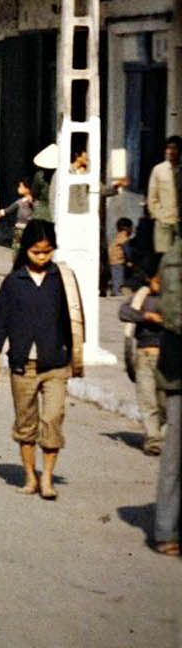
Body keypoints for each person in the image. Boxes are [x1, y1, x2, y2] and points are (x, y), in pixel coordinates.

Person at [0, 219, 83, 500]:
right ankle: (30, 476)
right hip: (22, 365)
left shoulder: (62, 281)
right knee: (26, 423)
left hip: (55, 364)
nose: (42, 257)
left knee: (52, 418)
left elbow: (75, 320)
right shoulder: (13, 282)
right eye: (36, 252)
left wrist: (76, 358)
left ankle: (47, 477)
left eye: (47, 251)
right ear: (25, 250)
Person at [119, 264, 167, 456]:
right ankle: (153, 440)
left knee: (164, 403)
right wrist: (145, 316)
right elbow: (124, 312)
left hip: (167, 357)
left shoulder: (173, 299)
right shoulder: (141, 297)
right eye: (156, 280)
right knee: (147, 401)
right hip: (144, 356)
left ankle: (164, 435)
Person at [153, 238, 182, 555]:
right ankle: (165, 529)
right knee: (175, 452)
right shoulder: (176, 257)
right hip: (179, 372)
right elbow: (174, 313)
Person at [149, 136, 182, 255]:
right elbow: (152, 197)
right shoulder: (158, 170)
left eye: (174, 148)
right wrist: (159, 215)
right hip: (164, 222)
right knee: (163, 256)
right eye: (168, 148)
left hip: (180, 221)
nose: (171, 151)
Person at [109, 218, 135, 295]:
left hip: (114, 261)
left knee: (116, 278)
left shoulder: (118, 236)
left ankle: (116, 291)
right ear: (126, 228)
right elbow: (127, 250)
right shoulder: (123, 237)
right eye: (131, 227)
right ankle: (117, 293)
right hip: (118, 261)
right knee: (118, 279)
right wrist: (131, 260)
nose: (132, 230)